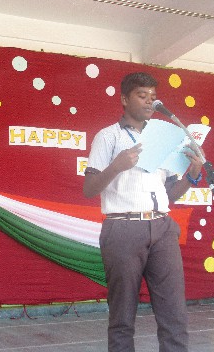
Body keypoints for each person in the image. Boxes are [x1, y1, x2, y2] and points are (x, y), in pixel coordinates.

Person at [83, 71, 203, 352]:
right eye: (142, 95)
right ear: (125, 99)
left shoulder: (162, 139)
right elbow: (89, 188)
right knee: (122, 315)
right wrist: (117, 166)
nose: (150, 101)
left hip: (162, 227)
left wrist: (193, 174)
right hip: (123, 228)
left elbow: (169, 194)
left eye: (153, 96)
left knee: (174, 313)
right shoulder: (108, 137)